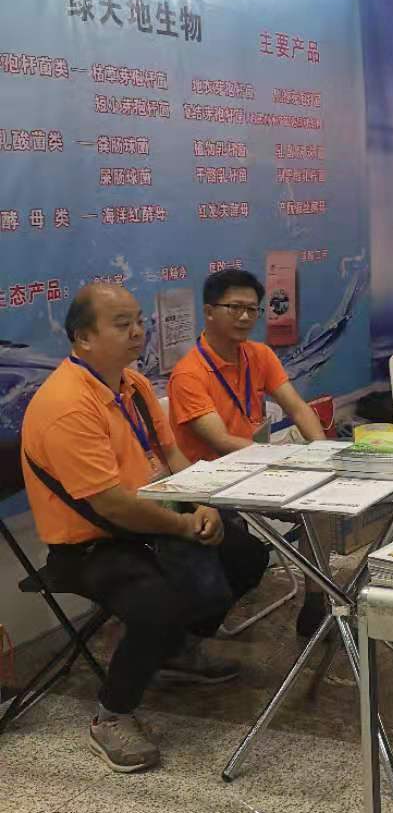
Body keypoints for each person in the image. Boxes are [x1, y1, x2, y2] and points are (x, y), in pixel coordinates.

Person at [20, 284, 269, 773]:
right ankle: (111, 716)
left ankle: (179, 651)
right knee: (158, 602)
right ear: (83, 337)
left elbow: (172, 457)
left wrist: (201, 505)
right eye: (122, 324)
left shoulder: (131, 385)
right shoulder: (68, 405)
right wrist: (182, 524)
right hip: (91, 546)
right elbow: (112, 505)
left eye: (138, 320)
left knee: (246, 555)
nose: (138, 331)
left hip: (150, 523)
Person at [167, 268, 330, 637]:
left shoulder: (259, 354)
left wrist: (322, 452)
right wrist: (286, 460)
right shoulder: (189, 374)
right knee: (249, 554)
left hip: (257, 471)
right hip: (211, 485)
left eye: (252, 309)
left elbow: (298, 407)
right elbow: (221, 442)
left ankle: (317, 597)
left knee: (319, 505)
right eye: (234, 307)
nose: (244, 317)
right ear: (209, 311)